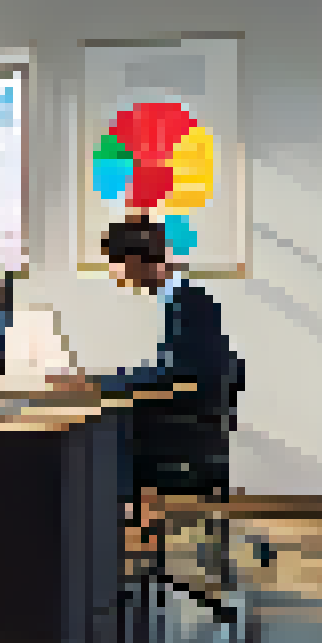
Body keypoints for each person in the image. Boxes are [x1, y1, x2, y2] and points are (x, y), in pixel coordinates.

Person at [95, 219, 240, 541]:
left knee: (104, 428)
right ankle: (116, 522)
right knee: (113, 421)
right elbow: (171, 368)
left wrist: (101, 383)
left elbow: (171, 372)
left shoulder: (187, 303)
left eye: (116, 264)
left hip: (188, 434)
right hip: (195, 424)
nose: (116, 274)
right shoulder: (182, 299)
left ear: (135, 261)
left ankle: (108, 528)